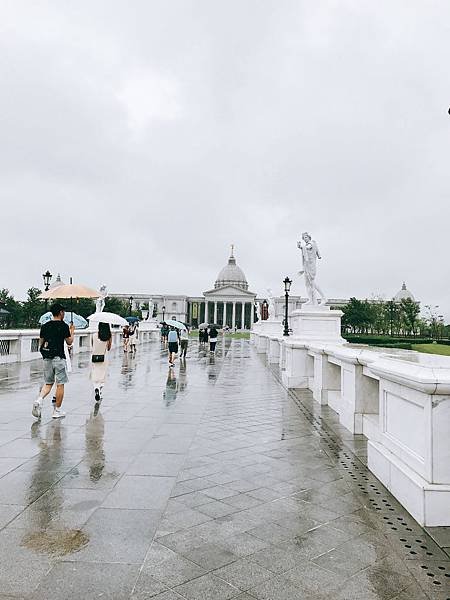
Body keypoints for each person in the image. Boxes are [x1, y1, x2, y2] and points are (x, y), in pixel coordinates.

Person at [32, 303, 74, 420]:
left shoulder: (45, 326)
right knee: (60, 384)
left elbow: (41, 343)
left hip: (47, 358)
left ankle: (39, 400)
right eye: (63, 312)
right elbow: (69, 342)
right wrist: (72, 331)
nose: (64, 313)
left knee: (48, 383)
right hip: (58, 358)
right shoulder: (63, 326)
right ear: (60, 312)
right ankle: (57, 410)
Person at [90, 322, 112, 403]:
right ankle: (99, 389)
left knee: (95, 374)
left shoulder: (94, 335)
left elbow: (92, 346)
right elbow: (109, 348)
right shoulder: (108, 336)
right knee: (102, 376)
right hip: (104, 357)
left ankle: (96, 388)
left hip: (94, 357)